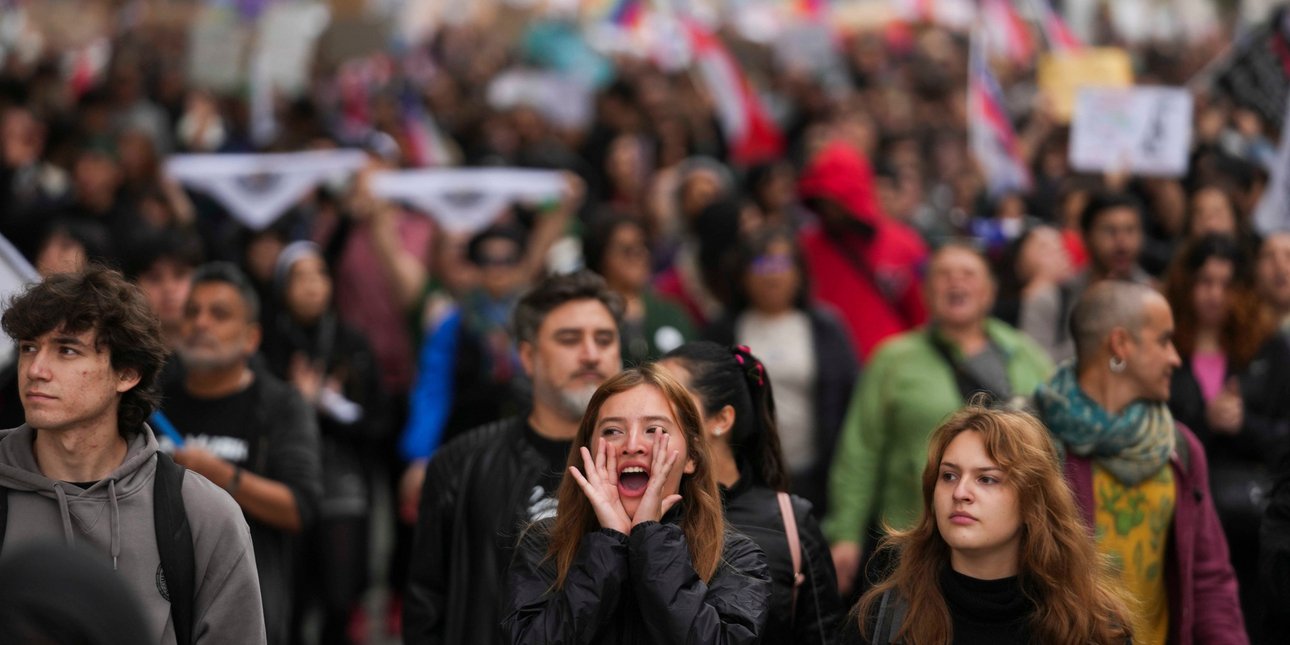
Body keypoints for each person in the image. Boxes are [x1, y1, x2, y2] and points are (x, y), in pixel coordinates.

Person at [0, 267, 266, 644]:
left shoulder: (201, 514)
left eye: (67, 350)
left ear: (126, 374)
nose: (36, 370)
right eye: (28, 347)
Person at [405, 270, 624, 645]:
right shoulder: (460, 463)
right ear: (527, 355)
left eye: (604, 339)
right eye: (569, 339)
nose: (591, 354)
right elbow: (427, 605)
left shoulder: (647, 463)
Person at [823, 243, 1052, 597]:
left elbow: (1053, 450)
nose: (955, 283)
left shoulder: (1024, 356)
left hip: (1010, 548)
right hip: (911, 540)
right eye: (943, 275)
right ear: (927, 292)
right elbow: (860, 451)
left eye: (968, 274)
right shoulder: (893, 359)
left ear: (990, 291)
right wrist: (845, 534)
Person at [1033, 280, 1248, 645]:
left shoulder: (1178, 446)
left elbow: (1209, 579)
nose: (1175, 358)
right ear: (1120, 345)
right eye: (1164, 340)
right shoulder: (1033, 442)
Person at [502, 364, 772, 643]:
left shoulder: (738, 558)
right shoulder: (544, 545)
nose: (632, 445)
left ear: (691, 457)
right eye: (612, 431)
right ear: (588, 453)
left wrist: (650, 537)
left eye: (654, 429)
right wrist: (610, 543)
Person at [843, 406, 1134, 645]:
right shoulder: (883, 620)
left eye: (987, 479)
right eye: (949, 476)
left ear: (1031, 500)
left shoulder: (1093, 626)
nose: (960, 493)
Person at [160, 262, 323, 645]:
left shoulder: (281, 405)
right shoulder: (151, 399)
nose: (201, 324)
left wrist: (222, 476)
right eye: (192, 312)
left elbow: (300, 508)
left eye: (219, 314)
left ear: (251, 338)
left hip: (247, 603)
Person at [660, 342, 842, 643]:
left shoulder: (791, 521)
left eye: (669, 399)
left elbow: (824, 634)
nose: (648, 411)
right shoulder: (643, 511)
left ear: (721, 419)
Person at [1161, 234, 1289, 641]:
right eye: (1204, 282)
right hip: (1179, 510)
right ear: (1186, 285)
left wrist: (1242, 423)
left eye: (1227, 283)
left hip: (1252, 523)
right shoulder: (1165, 346)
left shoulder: (1270, 348)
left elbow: (1285, 438)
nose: (1215, 295)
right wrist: (1206, 421)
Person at [259, 242, 386, 644]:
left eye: (320, 274)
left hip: (341, 474)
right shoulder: (266, 343)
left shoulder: (351, 340)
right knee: (290, 599)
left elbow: (380, 418)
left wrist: (330, 404)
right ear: (282, 287)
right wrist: (297, 401)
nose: (312, 286)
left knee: (340, 597)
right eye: (300, 276)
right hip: (282, 477)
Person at [704, 228, 859, 511]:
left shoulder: (826, 327)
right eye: (762, 265)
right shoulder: (723, 329)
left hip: (815, 474)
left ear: (799, 273)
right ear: (743, 276)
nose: (772, 275)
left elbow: (850, 401)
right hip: (744, 476)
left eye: (781, 265)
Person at [796, 139, 929, 361]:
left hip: (892, 367)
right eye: (822, 200)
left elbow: (922, 314)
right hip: (829, 369)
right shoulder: (805, 247)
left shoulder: (906, 245)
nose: (829, 209)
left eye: (836, 199)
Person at [1021, 191, 1155, 363]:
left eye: (1130, 231)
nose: (1122, 242)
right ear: (1086, 236)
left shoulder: (1156, 295)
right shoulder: (1052, 299)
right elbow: (1031, 368)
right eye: (1110, 231)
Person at [582, 212, 694, 365]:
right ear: (601, 256)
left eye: (643, 246)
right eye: (627, 249)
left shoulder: (671, 312)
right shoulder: (586, 316)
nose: (639, 255)